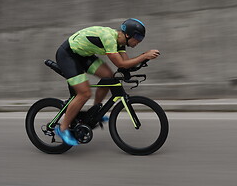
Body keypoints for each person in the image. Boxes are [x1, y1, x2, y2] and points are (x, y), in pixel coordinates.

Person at [54, 18, 160, 146]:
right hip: (68, 55)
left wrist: (143, 60)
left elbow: (126, 65)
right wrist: (144, 55)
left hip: (83, 55)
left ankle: (94, 113)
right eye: (138, 37)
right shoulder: (109, 38)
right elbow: (121, 63)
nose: (139, 41)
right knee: (84, 93)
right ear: (128, 34)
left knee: (108, 77)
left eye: (141, 38)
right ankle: (62, 128)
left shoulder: (120, 42)